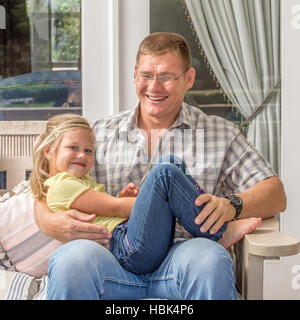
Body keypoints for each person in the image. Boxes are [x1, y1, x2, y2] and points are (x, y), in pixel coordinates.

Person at [34, 32, 286, 299]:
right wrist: (48, 220)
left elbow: (275, 193)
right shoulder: (98, 134)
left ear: (188, 79)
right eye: (146, 75)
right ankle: (219, 234)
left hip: (184, 258)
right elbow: (48, 185)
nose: (154, 87)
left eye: (166, 76)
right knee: (70, 260)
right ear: (134, 75)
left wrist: (231, 206)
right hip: (113, 259)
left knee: (209, 259)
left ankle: (217, 235)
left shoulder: (219, 134)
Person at [30, 113, 233, 274]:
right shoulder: (61, 186)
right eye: (73, 148)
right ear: (48, 151)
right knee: (164, 174)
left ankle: (209, 228)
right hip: (128, 249)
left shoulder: (79, 180)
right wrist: (150, 200)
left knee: (170, 162)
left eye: (88, 150)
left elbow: (106, 210)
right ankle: (217, 231)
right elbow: (116, 208)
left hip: (131, 240)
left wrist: (132, 200)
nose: (82, 155)